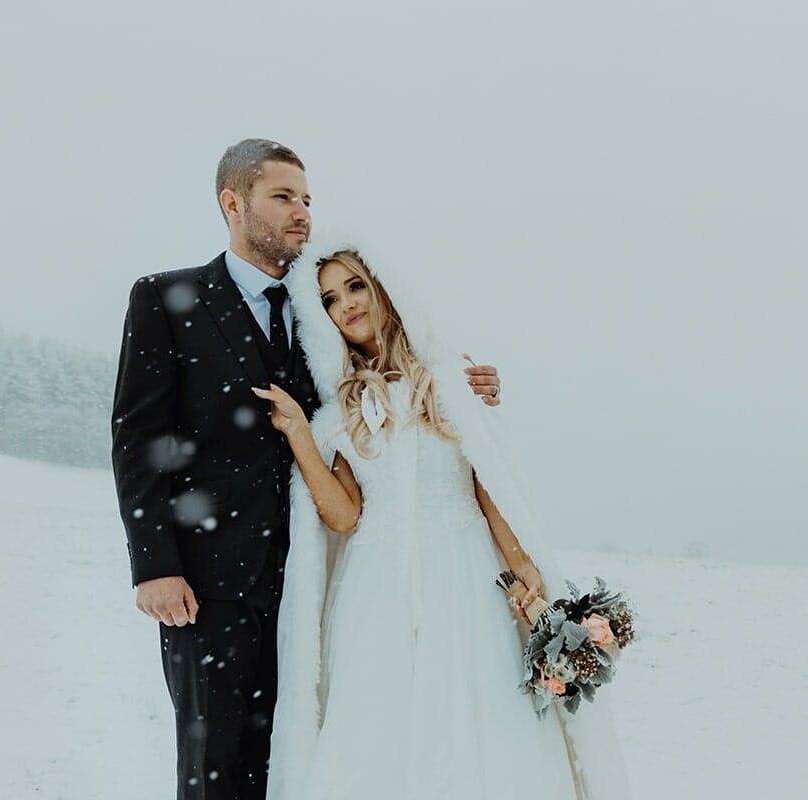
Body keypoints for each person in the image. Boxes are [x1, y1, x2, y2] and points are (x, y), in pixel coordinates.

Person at [111, 138, 501, 800]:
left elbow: (379, 388)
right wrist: (155, 564)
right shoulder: (167, 299)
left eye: (308, 199)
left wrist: (463, 383)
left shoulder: (320, 316)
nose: (302, 212)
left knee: (296, 768)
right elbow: (139, 437)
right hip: (210, 587)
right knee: (215, 768)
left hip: (313, 584)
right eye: (284, 196)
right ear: (233, 204)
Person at [254, 242, 631, 799]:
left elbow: (486, 485)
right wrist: (299, 435)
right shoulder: (340, 405)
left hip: (464, 573)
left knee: (478, 719)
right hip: (376, 587)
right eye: (330, 299)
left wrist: (523, 567)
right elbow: (343, 515)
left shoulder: (451, 377)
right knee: (380, 729)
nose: (347, 305)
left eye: (356, 286)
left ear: (383, 287)